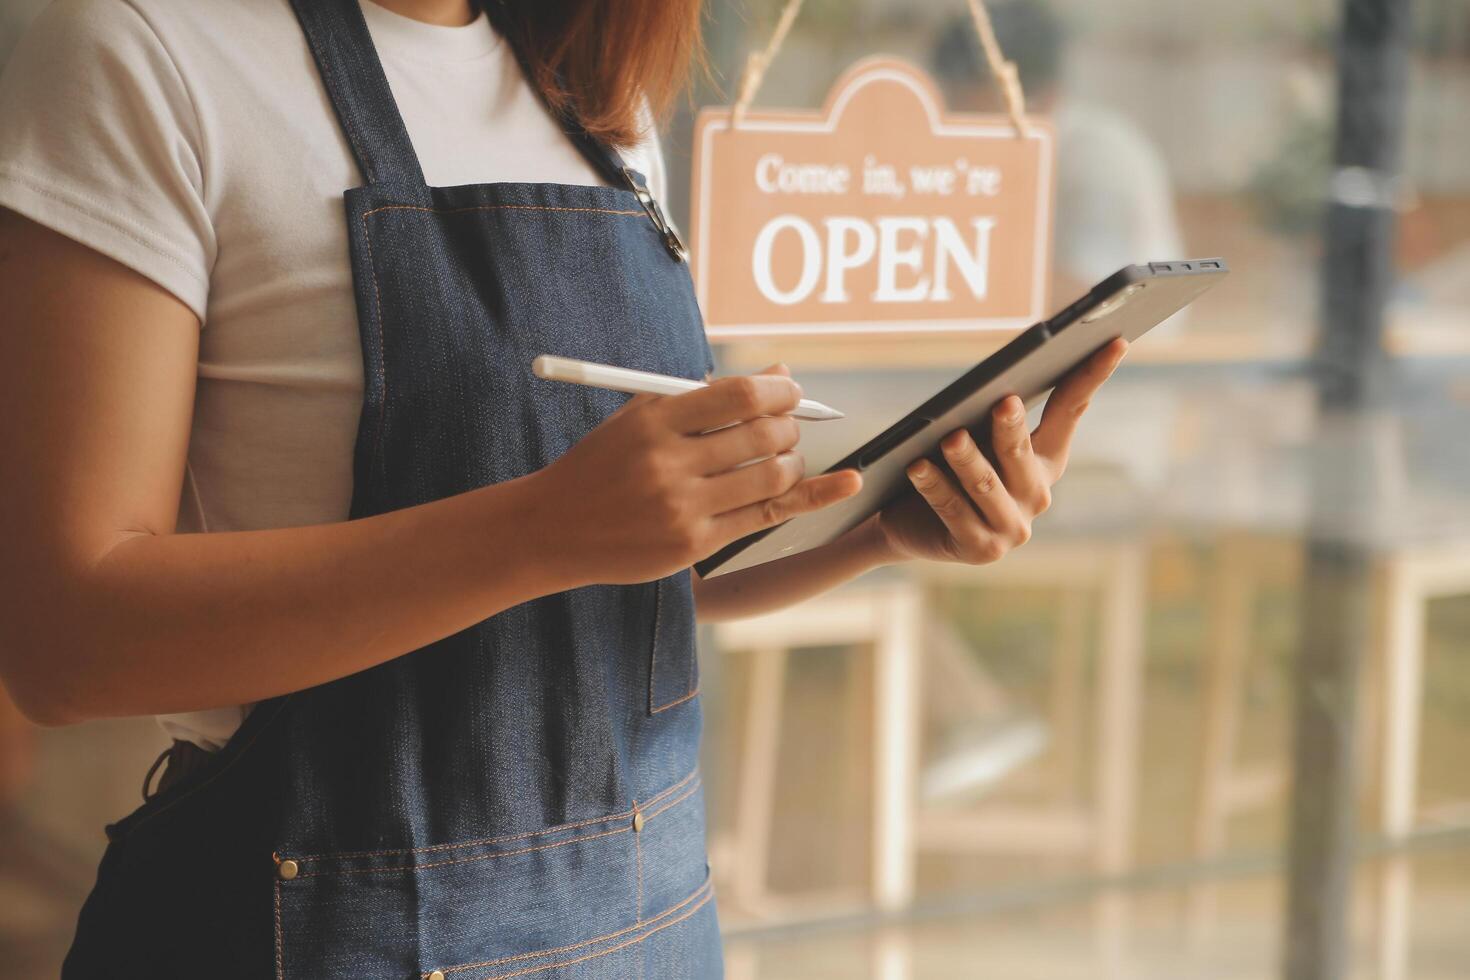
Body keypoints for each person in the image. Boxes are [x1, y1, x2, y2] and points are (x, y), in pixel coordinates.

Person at [0, 0, 1125, 976]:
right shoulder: (144, 56)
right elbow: (64, 637)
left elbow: (618, 589)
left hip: (644, 929)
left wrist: (877, 530)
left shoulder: (600, 110)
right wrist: (538, 528)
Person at [931, 0, 1186, 301]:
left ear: (1044, 96)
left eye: (974, 109)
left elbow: (1090, 297)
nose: (960, 123)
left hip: (1130, 346)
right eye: (954, 105)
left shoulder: (1099, 157)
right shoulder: (988, 161)